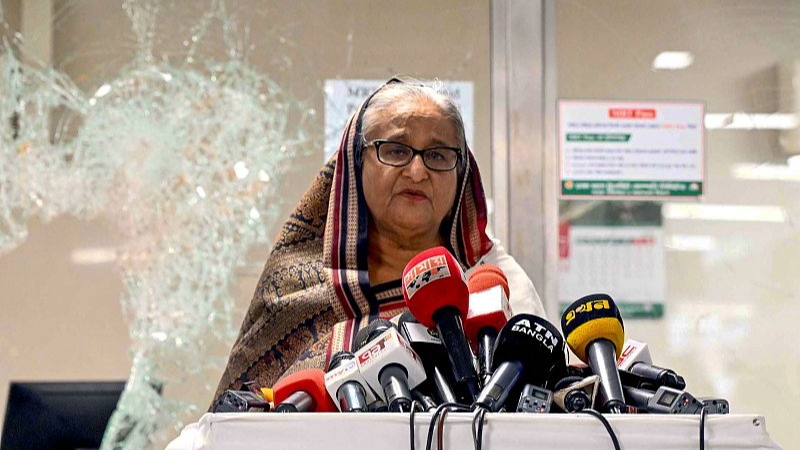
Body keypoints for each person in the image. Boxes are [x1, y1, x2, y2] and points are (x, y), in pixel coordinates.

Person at [211, 78, 545, 404]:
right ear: (358, 162)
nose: (417, 172)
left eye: (438, 155)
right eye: (397, 150)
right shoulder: (294, 289)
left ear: (462, 173)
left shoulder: (497, 285)